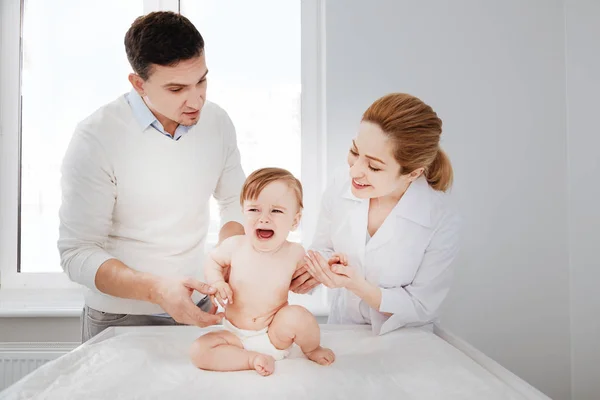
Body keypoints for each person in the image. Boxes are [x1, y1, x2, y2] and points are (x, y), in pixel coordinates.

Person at [57, 11, 245, 342]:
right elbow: (78, 252)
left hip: (199, 305)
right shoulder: (96, 137)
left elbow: (233, 200)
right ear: (138, 83)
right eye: (176, 88)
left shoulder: (217, 122)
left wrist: (228, 257)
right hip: (119, 316)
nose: (196, 99)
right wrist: (157, 290)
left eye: (201, 80)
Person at [290, 93, 461, 336]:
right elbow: (323, 245)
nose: (355, 172)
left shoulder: (440, 217)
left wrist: (356, 284)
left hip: (406, 340)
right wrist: (319, 269)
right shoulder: (341, 182)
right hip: (344, 331)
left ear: (412, 173)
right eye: (354, 151)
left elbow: (421, 306)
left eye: (374, 166)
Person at [190, 168, 335, 376]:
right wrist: (218, 282)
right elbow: (212, 260)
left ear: (295, 220)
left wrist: (327, 269)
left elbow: (308, 279)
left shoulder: (294, 253)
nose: (264, 218)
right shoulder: (235, 246)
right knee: (199, 350)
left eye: (276, 211)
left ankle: (312, 348)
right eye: (254, 210)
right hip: (235, 336)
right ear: (243, 213)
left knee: (299, 316)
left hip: (275, 333)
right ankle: (251, 359)